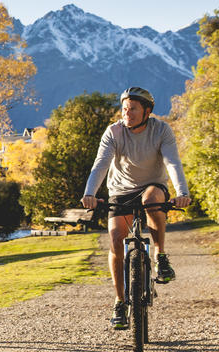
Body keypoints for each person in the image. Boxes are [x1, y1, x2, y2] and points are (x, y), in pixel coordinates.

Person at [80, 87, 192, 330]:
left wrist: (182, 193)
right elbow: (101, 164)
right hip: (120, 189)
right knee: (116, 239)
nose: (127, 114)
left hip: (152, 185)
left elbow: (172, 162)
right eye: (124, 109)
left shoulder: (161, 130)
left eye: (133, 109)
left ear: (147, 111)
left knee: (152, 199)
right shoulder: (114, 132)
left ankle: (160, 256)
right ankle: (120, 302)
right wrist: (89, 193)